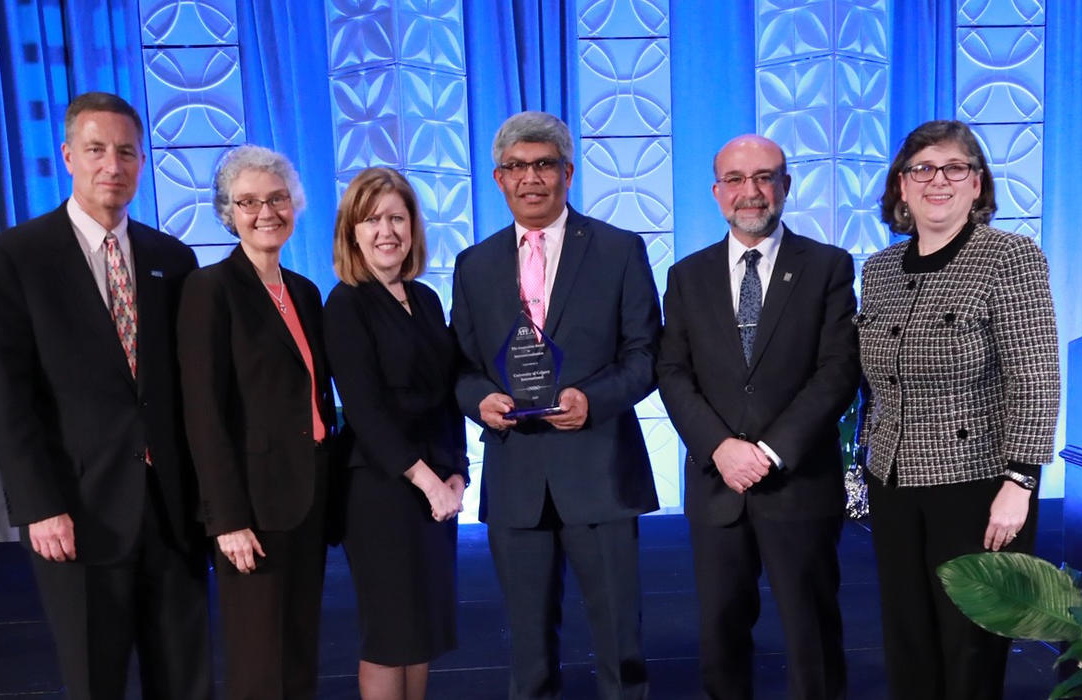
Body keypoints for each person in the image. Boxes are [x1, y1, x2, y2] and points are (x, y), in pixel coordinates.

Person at [0, 91, 212, 700]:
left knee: (186, 677)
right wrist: (37, 504)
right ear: (68, 157)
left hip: (171, 511)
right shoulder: (16, 257)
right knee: (94, 677)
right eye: (97, 150)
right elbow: (5, 396)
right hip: (77, 510)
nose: (113, 165)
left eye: (127, 152)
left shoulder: (171, 258)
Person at [451, 111, 661, 700]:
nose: (531, 178)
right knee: (529, 649)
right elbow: (460, 367)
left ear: (568, 172)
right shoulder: (474, 264)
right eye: (516, 167)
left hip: (599, 470)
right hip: (517, 475)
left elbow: (646, 355)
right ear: (498, 179)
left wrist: (590, 399)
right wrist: (480, 401)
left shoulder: (620, 250)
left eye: (543, 164)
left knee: (621, 643)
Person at [857, 119, 1060, 699]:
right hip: (893, 481)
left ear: (977, 185)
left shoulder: (1010, 257)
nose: (937, 180)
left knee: (969, 646)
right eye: (922, 169)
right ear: (900, 186)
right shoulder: (880, 271)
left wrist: (1020, 481)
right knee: (908, 639)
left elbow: (1036, 375)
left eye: (955, 168)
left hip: (978, 486)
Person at [658, 134, 860, 700]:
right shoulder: (686, 276)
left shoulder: (827, 267)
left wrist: (770, 451)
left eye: (765, 177)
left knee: (811, 636)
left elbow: (838, 372)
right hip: (716, 485)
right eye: (737, 180)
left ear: (786, 186)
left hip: (799, 484)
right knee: (721, 636)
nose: (752, 192)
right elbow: (672, 372)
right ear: (717, 192)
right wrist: (721, 447)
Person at [178, 144, 336, 700]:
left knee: (299, 644)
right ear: (229, 212)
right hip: (252, 506)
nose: (266, 212)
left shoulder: (305, 291)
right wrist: (226, 518)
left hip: (307, 493)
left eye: (277, 198)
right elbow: (202, 411)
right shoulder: (210, 289)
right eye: (249, 202)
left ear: (294, 204)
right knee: (257, 658)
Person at [324, 166, 468, 699]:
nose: (386, 231)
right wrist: (428, 482)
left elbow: (449, 394)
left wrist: (457, 473)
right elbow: (364, 410)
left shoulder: (426, 298)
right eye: (371, 220)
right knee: (389, 634)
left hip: (437, 489)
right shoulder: (345, 303)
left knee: (421, 631)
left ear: (412, 227)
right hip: (383, 489)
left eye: (396, 218)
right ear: (352, 232)